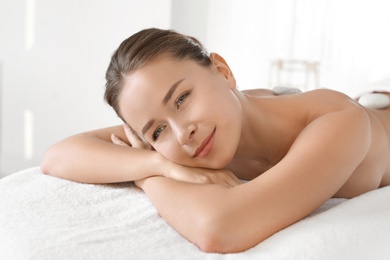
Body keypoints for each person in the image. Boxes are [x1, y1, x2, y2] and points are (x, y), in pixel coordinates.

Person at [41, 28, 390, 253]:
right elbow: (58, 156)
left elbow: (220, 228)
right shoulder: (196, 138)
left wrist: (146, 178)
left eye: (181, 99)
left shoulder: (338, 122)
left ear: (222, 71)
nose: (182, 133)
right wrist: (156, 162)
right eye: (156, 131)